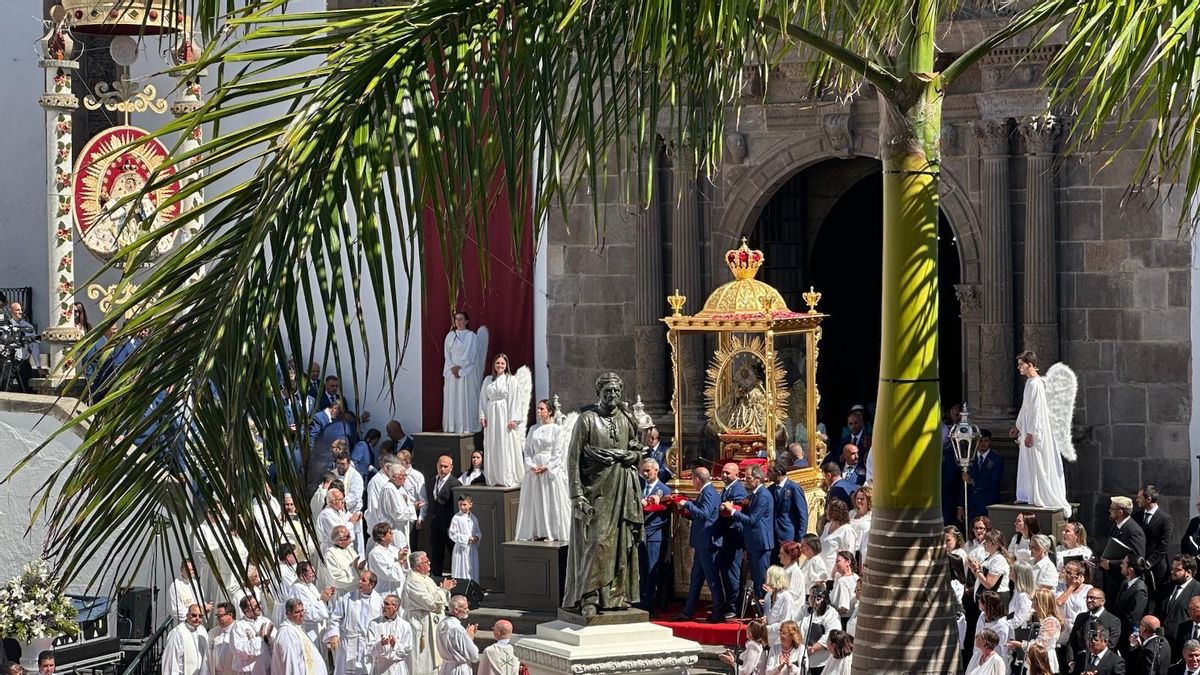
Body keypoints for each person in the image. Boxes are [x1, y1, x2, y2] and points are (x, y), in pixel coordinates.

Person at [562, 372, 644, 618]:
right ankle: (589, 595)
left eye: (617, 391)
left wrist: (635, 457)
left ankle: (614, 596)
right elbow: (573, 458)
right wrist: (577, 495)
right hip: (596, 493)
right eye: (608, 391)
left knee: (620, 544)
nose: (613, 395)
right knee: (595, 543)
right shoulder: (587, 420)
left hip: (621, 489)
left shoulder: (627, 419)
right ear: (599, 393)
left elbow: (636, 449)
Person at [1011, 350, 1072, 515]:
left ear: (1030, 365)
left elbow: (1037, 410)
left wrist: (1031, 433)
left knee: (1038, 462)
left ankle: (1040, 495)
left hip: (1036, 431)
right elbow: (1026, 407)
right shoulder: (1029, 383)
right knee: (1027, 462)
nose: (1019, 368)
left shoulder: (1037, 384)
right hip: (1027, 428)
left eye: (1021, 365)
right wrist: (1018, 426)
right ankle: (1027, 494)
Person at [515, 401, 572, 542]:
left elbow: (558, 451)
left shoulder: (556, 429)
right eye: (538, 409)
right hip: (535, 467)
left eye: (542, 409)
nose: (539, 411)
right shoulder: (533, 429)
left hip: (548, 468)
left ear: (550, 411)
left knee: (549, 498)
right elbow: (527, 449)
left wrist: (548, 466)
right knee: (536, 498)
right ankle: (537, 530)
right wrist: (530, 465)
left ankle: (551, 531)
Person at [675, 467, 724, 623]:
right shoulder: (707, 491)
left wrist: (687, 504)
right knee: (696, 578)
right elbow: (700, 516)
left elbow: (704, 513)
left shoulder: (708, 492)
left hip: (707, 543)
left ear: (696, 479)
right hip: (702, 542)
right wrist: (686, 511)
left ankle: (718, 612)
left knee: (712, 578)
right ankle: (687, 611)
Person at [400, 552, 455, 675]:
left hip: (433, 624)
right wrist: (443, 590)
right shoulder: (413, 581)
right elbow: (430, 602)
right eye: (426, 562)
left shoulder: (426, 578)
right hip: (420, 625)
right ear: (418, 566)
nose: (429, 563)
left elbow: (440, 601)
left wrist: (445, 591)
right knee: (422, 660)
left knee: (434, 658)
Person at [479, 354, 528, 487]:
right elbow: (483, 399)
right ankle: (494, 477)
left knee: (504, 443)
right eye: (498, 363)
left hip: (504, 415)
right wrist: (482, 416)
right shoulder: (488, 380)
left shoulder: (510, 380)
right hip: (491, 415)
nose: (500, 366)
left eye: (502, 363)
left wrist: (514, 419)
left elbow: (516, 400)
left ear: (506, 365)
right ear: (494, 364)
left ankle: (507, 475)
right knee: (493, 443)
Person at [726, 464, 774, 601]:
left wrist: (732, 511)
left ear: (758, 479)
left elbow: (752, 520)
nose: (746, 481)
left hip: (761, 543)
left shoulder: (763, 495)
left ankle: (763, 612)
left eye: (748, 478)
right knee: (755, 578)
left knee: (761, 580)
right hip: (753, 543)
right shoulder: (755, 494)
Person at [325, 571, 382, 675]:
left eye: (363, 580)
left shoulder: (379, 601)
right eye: (360, 579)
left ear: (372, 584)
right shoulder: (349, 597)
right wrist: (334, 635)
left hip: (367, 644)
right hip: (349, 642)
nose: (359, 582)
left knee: (366, 670)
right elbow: (335, 617)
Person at [637, 457, 672, 611]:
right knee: (641, 570)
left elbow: (663, 515)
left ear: (656, 471)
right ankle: (641, 598)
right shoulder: (639, 487)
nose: (645, 474)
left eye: (648, 471)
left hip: (654, 535)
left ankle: (651, 602)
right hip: (640, 535)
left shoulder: (664, 490)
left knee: (652, 570)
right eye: (643, 470)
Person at [715, 462, 749, 618]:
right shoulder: (727, 488)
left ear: (736, 474)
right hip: (726, 536)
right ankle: (729, 602)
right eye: (723, 472)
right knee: (726, 571)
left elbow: (736, 511)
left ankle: (735, 606)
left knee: (732, 572)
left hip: (734, 536)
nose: (724, 475)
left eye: (728, 473)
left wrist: (726, 508)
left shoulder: (738, 490)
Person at [443, 311, 482, 434]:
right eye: (456, 319)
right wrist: (453, 368)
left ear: (466, 321)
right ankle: (452, 426)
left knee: (465, 397)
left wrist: (461, 368)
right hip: (452, 371)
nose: (458, 322)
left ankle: (467, 426)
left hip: (466, 372)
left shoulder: (471, 336)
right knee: (453, 397)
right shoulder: (450, 336)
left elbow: (471, 355)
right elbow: (447, 354)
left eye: (461, 319)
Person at [1102, 497, 1148, 598]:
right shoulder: (1116, 526)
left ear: (1120, 512)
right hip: (1111, 581)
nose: (1109, 511)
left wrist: (1111, 564)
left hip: (1122, 581)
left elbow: (1138, 559)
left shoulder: (1134, 531)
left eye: (1112, 509)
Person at [1007, 588, 1063, 672]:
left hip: (1044, 659)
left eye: (1035, 600)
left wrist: (1020, 645)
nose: (1033, 603)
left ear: (1041, 603)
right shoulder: (1043, 619)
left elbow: (1040, 644)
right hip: (1036, 659)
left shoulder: (1051, 622)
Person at [426, 455, 462, 576]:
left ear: (451, 468)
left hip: (449, 524)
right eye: (440, 466)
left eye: (445, 466)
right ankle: (436, 577)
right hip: (436, 524)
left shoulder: (455, 483)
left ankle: (456, 577)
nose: (442, 469)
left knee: (453, 552)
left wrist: (453, 526)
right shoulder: (434, 480)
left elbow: (455, 507)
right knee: (436, 552)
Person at [1135, 485, 1174, 595]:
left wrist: (1149, 562)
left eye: (1139, 497)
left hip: (1156, 569)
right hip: (1139, 567)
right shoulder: (1137, 516)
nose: (1136, 500)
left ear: (1148, 499)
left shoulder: (1165, 519)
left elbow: (1164, 545)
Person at [272, 599, 328, 675]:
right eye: (297, 612)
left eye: (302, 611)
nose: (301, 615)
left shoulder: (296, 627)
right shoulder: (287, 634)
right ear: (288, 614)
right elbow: (290, 664)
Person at [284, 562, 334, 645]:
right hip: (309, 630)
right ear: (302, 576)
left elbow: (319, 601)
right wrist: (323, 600)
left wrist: (327, 597)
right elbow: (306, 612)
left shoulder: (310, 585)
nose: (314, 574)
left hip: (319, 629)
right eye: (311, 573)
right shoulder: (297, 589)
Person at [1162, 555, 1200, 659]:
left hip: (1183, 646)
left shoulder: (1197, 589)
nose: (1172, 572)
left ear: (1188, 572)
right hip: (1164, 643)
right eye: (1172, 568)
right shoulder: (1168, 587)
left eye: (1177, 570)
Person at [797, 585, 842, 673]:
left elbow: (832, 634)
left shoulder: (831, 613)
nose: (812, 599)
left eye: (816, 597)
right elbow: (795, 626)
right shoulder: (804, 609)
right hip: (802, 657)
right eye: (810, 596)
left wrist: (812, 649)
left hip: (821, 661)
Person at [768, 466, 809, 560]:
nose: (768, 474)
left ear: (778, 472)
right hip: (774, 536)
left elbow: (802, 515)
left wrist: (799, 539)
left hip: (788, 536)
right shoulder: (771, 489)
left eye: (770, 471)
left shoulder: (794, 488)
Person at [367, 594, 413, 675]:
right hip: (379, 669)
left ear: (396, 607)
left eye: (387, 604)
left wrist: (394, 645)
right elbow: (369, 648)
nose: (384, 606)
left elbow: (407, 648)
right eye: (384, 603)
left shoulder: (405, 625)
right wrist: (380, 644)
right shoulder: (374, 624)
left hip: (397, 668)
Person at [1113, 556, 1150, 652]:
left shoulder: (1140, 590)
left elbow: (1134, 618)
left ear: (1130, 570)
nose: (1121, 565)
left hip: (1126, 635)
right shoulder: (1126, 582)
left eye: (1123, 564)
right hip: (1118, 630)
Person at [964, 430, 1003, 521]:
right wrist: (960, 505)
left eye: (986, 441)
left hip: (988, 502)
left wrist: (973, 481)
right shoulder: (969, 459)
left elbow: (994, 481)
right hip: (972, 504)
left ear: (990, 442)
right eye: (980, 441)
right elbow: (963, 484)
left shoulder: (996, 459)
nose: (983, 443)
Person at [435, 596, 479, 675]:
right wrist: (469, 637)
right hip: (459, 669)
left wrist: (466, 637)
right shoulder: (458, 629)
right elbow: (474, 656)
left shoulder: (442, 624)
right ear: (456, 610)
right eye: (465, 608)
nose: (468, 610)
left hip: (445, 667)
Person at [163, 604, 210, 675]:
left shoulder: (202, 631)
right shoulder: (177, 633)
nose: (197, 618)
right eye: (193, 615)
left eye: (200, 616)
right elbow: (171, 662)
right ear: (187, 615)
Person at [232, 596, 273, 675]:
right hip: (249, 671)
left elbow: (274, 646)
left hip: (267, 668)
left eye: (259, 604)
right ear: (246, 610)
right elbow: (239, 650)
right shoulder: (239, 627)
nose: (259, 607)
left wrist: (269, 638)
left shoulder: (265, 621)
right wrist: (259, 639)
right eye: (256, 606)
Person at [368, 523, 409, 596]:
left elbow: (403, 570)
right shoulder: (375, 553)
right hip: (384, 591)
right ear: (382, 537)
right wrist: (400, 561)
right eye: (389, 532)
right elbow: (386, 573)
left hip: (398, 589)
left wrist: (404, 560)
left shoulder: (393, 549)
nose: (392, 533)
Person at [322, 525, 366, 595]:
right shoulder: (330, 555)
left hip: (356, 590)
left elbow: (358, 567)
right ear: (339, 540)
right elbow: (336, 579)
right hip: (343, 594)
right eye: (348, 536)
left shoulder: (349, 549)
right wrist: (354, 569)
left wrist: (361, 568)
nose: (350, 537)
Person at [761, 565, 796, 649]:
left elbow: (785, 623)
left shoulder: (787, 598)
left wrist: (767, 628)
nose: (765, 577)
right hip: (766, 640)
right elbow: (766, 616)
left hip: (780, 643)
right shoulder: (768, 596)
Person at [449, 496, 482, 582]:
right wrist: (466, 538)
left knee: (473, 570)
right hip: (461, 550)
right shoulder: (456, 518)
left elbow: (478, 532)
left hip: (472, 549)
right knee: (462, 570)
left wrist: (476, 538)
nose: (462, 507)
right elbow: (452, 534)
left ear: (470, 504)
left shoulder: (474, 518)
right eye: (460, 505)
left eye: (464, 504)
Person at [819, 500, 858, 572]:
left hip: (835, 574)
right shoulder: (827, 526)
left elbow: (849, 554)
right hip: (822, 571)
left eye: (828, 509)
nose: (826, 511)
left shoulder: (847, 530)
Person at [973, 591, 1011, 663]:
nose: (978, 601)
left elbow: (1004, 649)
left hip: (993, 661)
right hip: (978, 657)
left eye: (981, 600)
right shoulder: (981, 616)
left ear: (986, 605)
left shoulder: (1002, 625)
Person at [830, 551, 859, 619]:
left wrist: (832, 617)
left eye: (838, 561)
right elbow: (833, 575)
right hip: (853, 617)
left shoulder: (842, 582)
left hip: (843, 618)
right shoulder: (855, 576)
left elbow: (844, 608)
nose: (836, 564)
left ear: (848, 562)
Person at [210, 603, 237, 675]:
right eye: (217, 616)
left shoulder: (238, 630)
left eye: (220, 616)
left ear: (230, 615)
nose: (218, 619)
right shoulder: (213, 632)